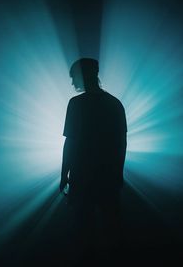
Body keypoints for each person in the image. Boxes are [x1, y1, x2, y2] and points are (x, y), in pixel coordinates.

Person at [60, 58, 127, 254]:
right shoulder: (115, 104)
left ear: (82, 76)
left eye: (74, 77)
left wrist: (64, 174)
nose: (72, 83)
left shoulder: (76, 104)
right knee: (112, 226)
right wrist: (118, 172)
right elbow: (121, 143)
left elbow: (70, 143)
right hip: (108, 175)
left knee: (83, 229)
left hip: (82, 175)